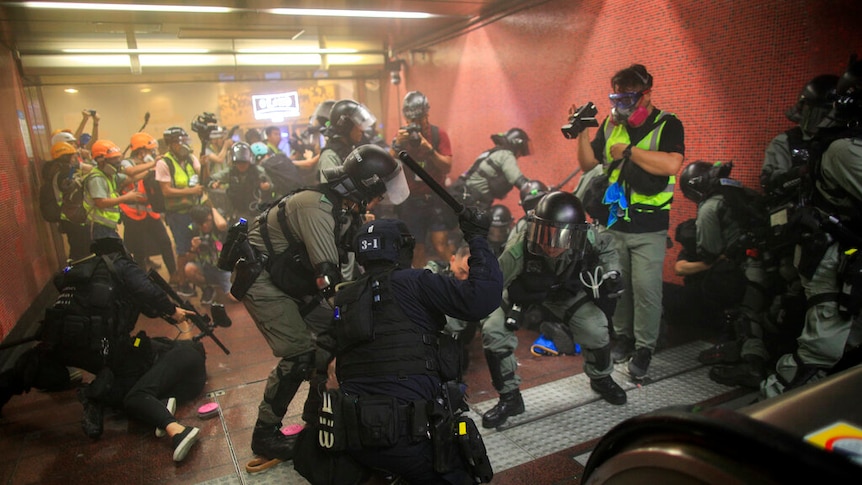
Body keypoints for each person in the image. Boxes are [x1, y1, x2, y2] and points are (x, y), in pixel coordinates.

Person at [234, 144, 410, 464]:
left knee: (336, 333)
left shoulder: (342, 207)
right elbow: (327, 278)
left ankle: (316, 418)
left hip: (290, 277)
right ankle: (265, 435)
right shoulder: (316, 207)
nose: (378, 203)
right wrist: (356, 307)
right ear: (363, 189)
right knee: (299, 354)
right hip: (262, 281)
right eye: (377, 196)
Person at [329, 214, 502, 484]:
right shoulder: (415, 281)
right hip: (407, 436)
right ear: (403, 249)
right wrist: (478, 239)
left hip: (352, 433)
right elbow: (482, 298)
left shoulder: (344, 297)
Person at [0, 236, 194, 437]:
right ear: (121, 251)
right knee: (134, 369)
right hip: (99, 343)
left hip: (59, 336)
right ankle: (95, 395)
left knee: (29, 365)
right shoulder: (120, 264)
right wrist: (172, 310)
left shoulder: (81, 268)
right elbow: (147, 290)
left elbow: (61, 284)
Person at [575, 63, 685, 380]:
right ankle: (623, 337)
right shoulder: (610, 127)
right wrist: (582, 133)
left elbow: (672, 164)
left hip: (649, 226)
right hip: (614, 223)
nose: (621, 105)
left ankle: (645, 348)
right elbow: (588, 163)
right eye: (616, 98)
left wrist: (630, 152)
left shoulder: (668, 124)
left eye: (628, 98)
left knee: (646, 290)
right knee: (617, 286)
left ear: (646, 95)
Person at [480, 192, 627, 429]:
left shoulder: (588, 237)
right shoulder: (520, 247)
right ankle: (510, 398)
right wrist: (453, 324)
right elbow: (487, 288)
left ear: (576, 234)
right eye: (545, 234)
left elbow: (607, 247)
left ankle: (601, 378)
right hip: (523, 294)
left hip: (564, 295)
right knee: (494, 330)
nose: (550, 245)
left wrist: (612, 272)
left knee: (595, 328)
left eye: (560, 237)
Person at [761, 59, 862, 398]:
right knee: (817, 355)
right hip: (831, 255)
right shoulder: (841, 149)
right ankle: (766, 414)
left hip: (842, 256)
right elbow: (771, 187)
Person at [674, 161, 770, 388]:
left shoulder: (709, 207)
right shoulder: (737, 192)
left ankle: (749, 363)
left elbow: (709, 251)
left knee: (744, 312)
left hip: (744, 269)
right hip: (769, 261)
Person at [391, 91, 455, 266]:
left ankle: (456, 276)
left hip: (436, 198)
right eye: (410, 121)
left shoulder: (437, 135)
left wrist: (430, 150)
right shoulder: (401, 137)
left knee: (441, 245)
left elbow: (447, 166)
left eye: (419, 119)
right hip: (411, 201)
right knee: (416, 249)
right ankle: (421, 285)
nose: (415, 125)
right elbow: (388, 166)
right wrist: (396, 145)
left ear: (427, 115)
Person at [118, 132, 177, 276]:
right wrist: (152, 165)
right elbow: (129, 173)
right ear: (141, 150)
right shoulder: (127, 162)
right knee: (139, 251)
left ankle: (175, 275)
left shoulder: (150, 164)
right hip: (133, 212)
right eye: (150, 150)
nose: (153, 153)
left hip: (151, 210)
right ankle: (143, 281)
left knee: (165, 242)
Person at [156, 126, 204, 297]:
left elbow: (202, 174)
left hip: (194, 211)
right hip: (178, 214)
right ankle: (182, 283)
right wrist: (191, 191)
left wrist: (205, 164)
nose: (183, 144)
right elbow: (166, 191)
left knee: (197, 246)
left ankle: (195, 278)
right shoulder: (164, 163)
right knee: (183, 249)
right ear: (172, 144)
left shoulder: (190, 158)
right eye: (179, 141)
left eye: (185, 140)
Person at [453, 128, 530, 211]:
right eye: (521, 150)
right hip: (472, 200)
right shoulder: (506, 155)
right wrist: (534, 189)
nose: (520, 154)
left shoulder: (491, 152)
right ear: (516, 144)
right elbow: (517, 178)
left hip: (459, 192)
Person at [85, 139, 145, 241]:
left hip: (107, 226)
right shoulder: (97, 178)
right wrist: (126, 197)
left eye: (118, 158)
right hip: (99, 227)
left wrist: (150, 169)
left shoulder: (109, 175)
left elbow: (130, 179)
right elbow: (101, 202)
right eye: (113, 159)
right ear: (101, 160)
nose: (118, 162)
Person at [45, 141, 91, 260]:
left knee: (80, 251)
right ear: (65, 157)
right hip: (71, 217)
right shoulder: (63, 173)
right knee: (79, 253)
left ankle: (74, 273)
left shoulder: (60, 170)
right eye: (73, 155)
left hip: (70, 216)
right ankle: (68, 274)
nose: (76, 157)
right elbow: (71, 188)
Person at [209, 141, 274, 223]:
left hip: (256, 212)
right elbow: (211, 179)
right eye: (238, 163)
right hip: (237, 212)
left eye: (244, 162)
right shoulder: (230, 172)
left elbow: (272, 185)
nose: (241, 165)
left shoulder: (258, 171)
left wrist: (267, 186)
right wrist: (213, 184)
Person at [186, 204, 234, 305]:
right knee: (189, 269)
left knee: (234, 298)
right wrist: (193, 248)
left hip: (223, 268)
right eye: (203, 222)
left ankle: (229, 284)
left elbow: (222, 225)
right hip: (206, 267)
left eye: (208, 220)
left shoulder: (216, 226)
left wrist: (211, 208)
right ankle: (207, 289)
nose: (207, 224)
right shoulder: (193, 230)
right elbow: (188, 258)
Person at [318, 99, 376, 182]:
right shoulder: (329, 156)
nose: (362, 130)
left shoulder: (350, 148)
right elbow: (331, 191)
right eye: (357, 125)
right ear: (346, 127)